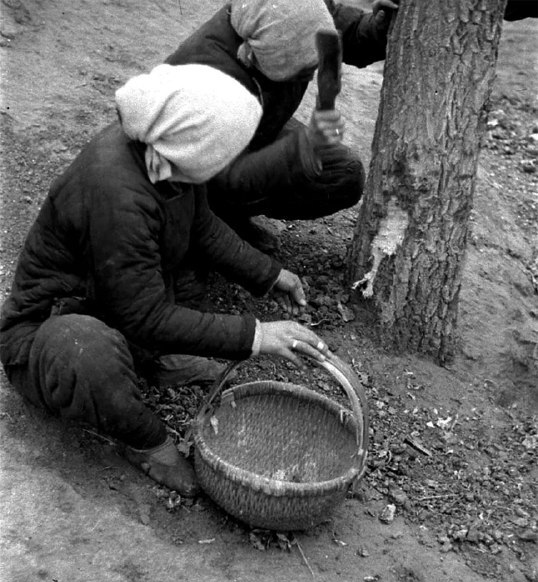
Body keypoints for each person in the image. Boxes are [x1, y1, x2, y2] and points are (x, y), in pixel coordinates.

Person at [0, 63, 331, 497]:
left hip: (110, 301)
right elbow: (143, 314)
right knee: (86, 352)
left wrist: (269, 275)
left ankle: (150, 361)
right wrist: (257, 335)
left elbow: (201, 227)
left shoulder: (165, 153)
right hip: (47, 333)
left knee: (176, 283)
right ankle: (144, 441)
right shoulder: (117, 193)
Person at [165, 0, 399, 241]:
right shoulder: (203, 77)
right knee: (188, 210)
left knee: (342, 173)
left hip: (261, 127)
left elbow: (344, 32)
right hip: (198, 161)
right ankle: (213, 223)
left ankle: (228, 214)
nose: (312, 71)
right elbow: (163, 178)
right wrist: (262, 272)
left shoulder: (302, 8)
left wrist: (380, 24)